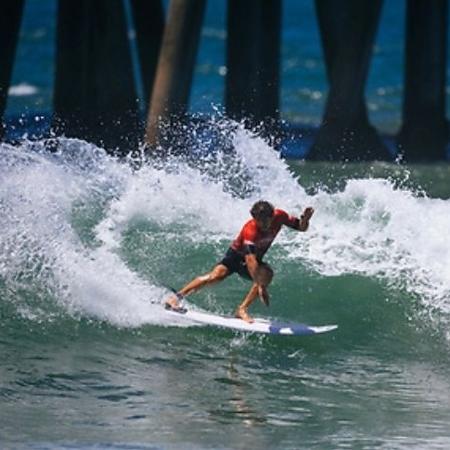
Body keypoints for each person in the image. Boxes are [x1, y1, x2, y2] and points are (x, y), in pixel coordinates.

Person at [165, 200, 314, 323]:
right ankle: (176, 297)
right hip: (235, 256)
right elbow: (250, 260)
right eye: (259, 221)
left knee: (268, 274)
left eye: (266, 221)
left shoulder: (280, 216)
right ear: (253, 217)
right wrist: (260, 285)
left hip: (254, 258)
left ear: (272, 215)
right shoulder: (251, 230)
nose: (263, 225)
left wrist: (305, 220)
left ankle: (241, 310)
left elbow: (301, 228)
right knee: (215, 276)